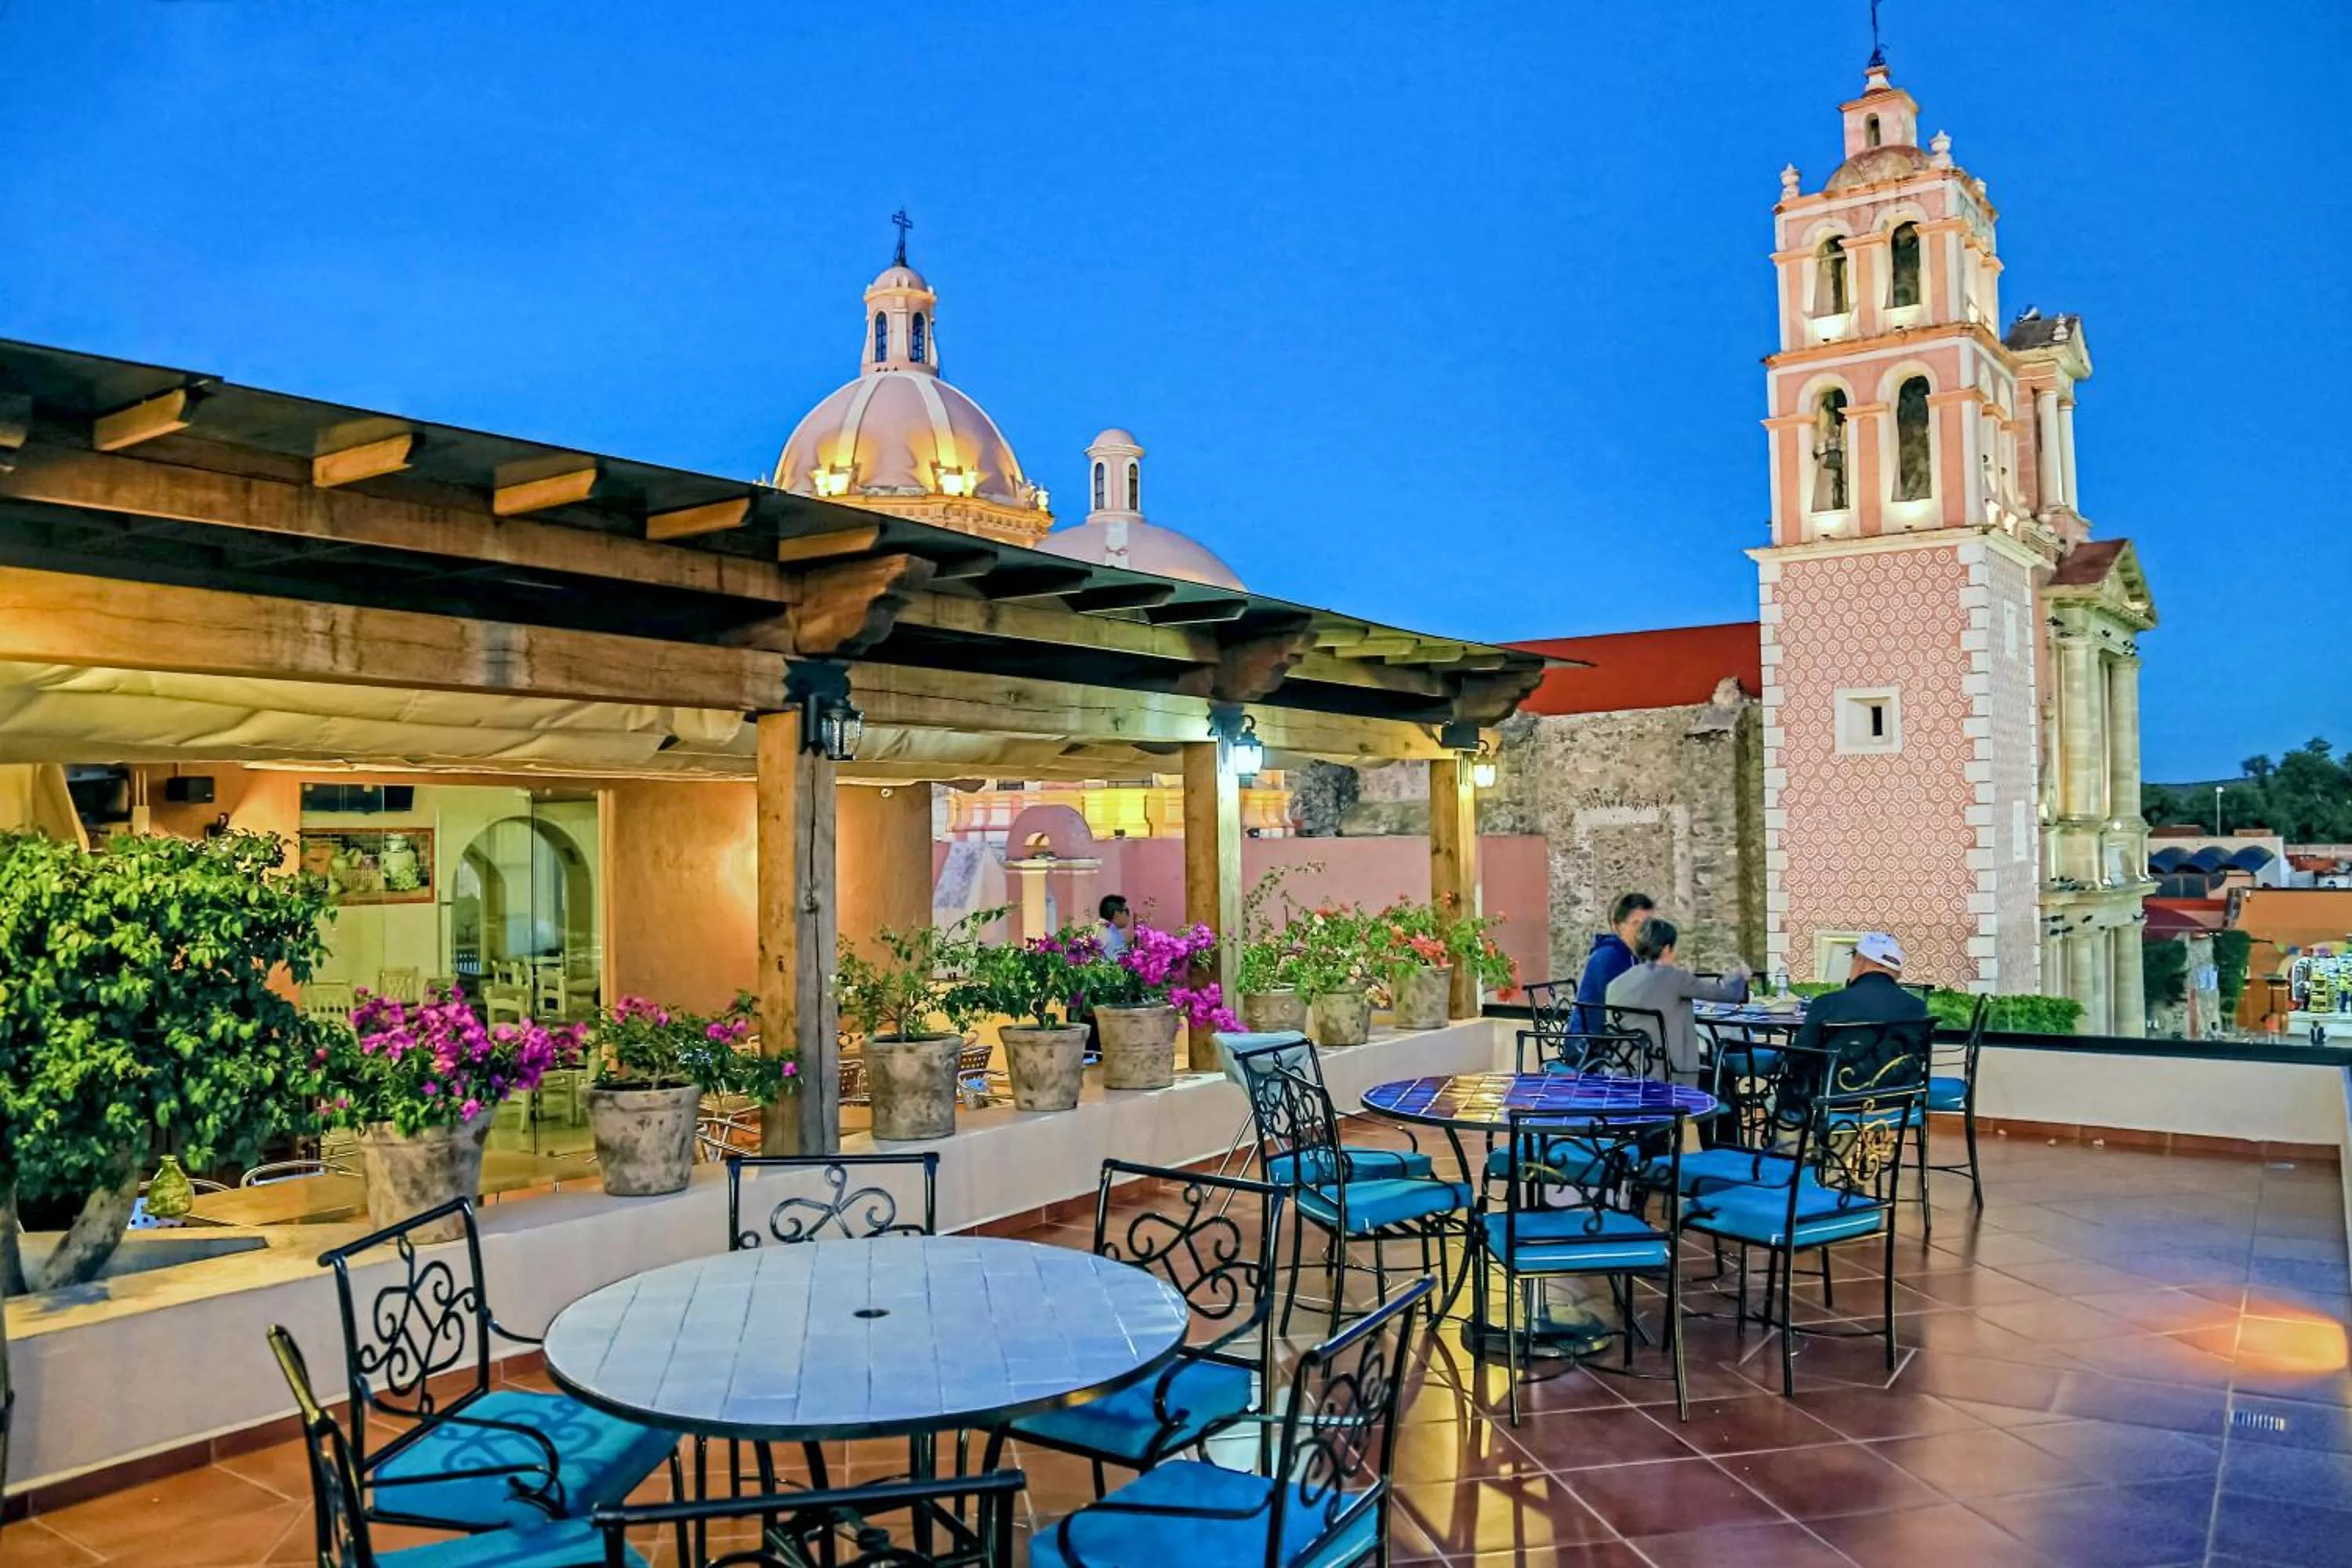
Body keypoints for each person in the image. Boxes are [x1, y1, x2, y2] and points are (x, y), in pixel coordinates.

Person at [1784, 931, 1931, 1112]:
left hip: (1835, 1100)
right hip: (1898, 1100)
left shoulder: (1828, 1003)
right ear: (1896, 972)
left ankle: (1791, 1140)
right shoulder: (1917, 1007)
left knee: (1787, 1094)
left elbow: (1799, 1056)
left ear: (1861, 961)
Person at [1602, 916, 1751, 1080]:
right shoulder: (1674, 978)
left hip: (1625, 1070)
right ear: (1666, 948)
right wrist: (1739, 976)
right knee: (1719, 1054)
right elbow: (1726, 994)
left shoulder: (1615, 984)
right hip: (1668, 1073)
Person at [1573, 892, 1654, 1031]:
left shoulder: (1635, 957)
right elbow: (1625, 1008)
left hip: (1619, 1037)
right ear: (1617, 926)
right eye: (1636, 923)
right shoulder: (1607, 957)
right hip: (1593, 1044)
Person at [1098, 894, 1134, 960]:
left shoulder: (1095, 929)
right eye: (1127, 911)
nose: (1129, 916)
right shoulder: (1113, 935)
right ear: (1116, 914)